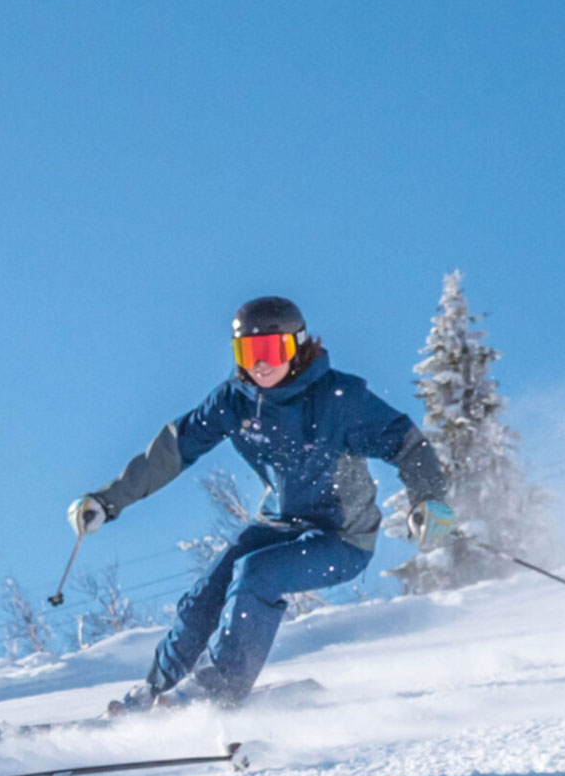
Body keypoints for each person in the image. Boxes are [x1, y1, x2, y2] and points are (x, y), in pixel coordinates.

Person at [68, 296, 454, 710]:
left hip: (341, 538)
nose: (261, 365)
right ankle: (155, 691)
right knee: (206, 593)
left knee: (257, 574)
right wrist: (108, 501)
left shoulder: (340, 399)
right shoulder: (234, 401)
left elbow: (407, 444)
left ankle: (217, 690)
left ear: (298, 346)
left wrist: (429, 499)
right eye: (248, 353)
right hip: (278, 526)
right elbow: (172, 449)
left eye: (271, 350)